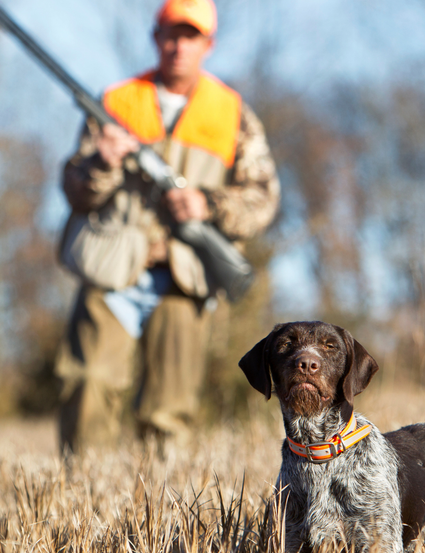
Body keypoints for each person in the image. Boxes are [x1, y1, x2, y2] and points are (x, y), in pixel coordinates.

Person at [56, 0, 280, 454]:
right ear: (155, 38)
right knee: (88, 384)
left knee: (169, 409)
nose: (179, 45)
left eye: (190, 35)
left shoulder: (233, 113)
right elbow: (75, 191)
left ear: (208, 44)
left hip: (185, 270)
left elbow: (263, 198)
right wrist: (104, 161)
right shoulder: (116, 102)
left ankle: (157, 509)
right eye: (170, 34)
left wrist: (208, 204)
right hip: (113, 263)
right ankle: (82, 489)